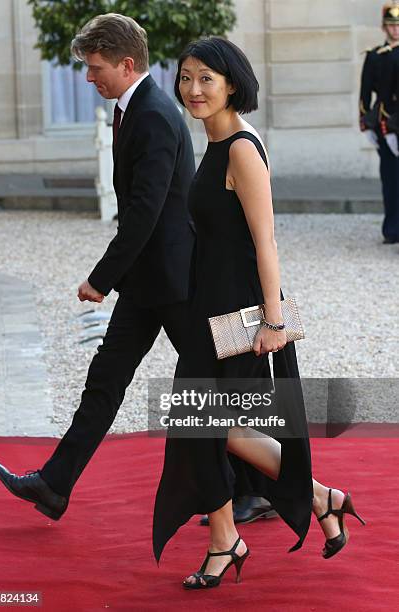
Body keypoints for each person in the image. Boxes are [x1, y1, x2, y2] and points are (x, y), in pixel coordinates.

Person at [0, 13, 273, 525]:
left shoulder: (155, 115)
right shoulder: (135, 109)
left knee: (220, 390)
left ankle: (277, 487)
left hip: (178, 282)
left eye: (96, 67)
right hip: (150, 283)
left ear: (126, 64)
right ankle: (55, 485)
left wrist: (101, 279)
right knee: (106, 379)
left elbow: (144, 213)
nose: (88, 77)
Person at [152, 37, 366, 589]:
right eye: (186, 77)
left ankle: (269, 520)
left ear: (231, 83)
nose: (193, 90)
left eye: (206, 79)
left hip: (239, 311)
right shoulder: (215, 141)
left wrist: (273, 321)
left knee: (205, 422)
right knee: (204, 424)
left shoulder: (242, 148)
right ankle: (311, 502)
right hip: (209, 305)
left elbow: (266, 242)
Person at [360, 2, 399, 244]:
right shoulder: (375, 56)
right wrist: (365, 123)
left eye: (398, 26)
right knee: (391, 178)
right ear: (384, 27)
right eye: (391, 26)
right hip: (387, 123)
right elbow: (365, 94)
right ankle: (393, 228)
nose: (395, 31)